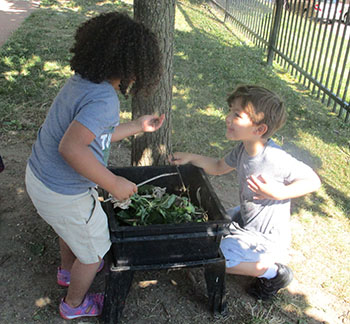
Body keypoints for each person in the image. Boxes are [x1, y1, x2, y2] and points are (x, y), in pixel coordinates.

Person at [25, 11, 164, 320]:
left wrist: (137, 126)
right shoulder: (104, 100)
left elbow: (92, 136)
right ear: (133, 68)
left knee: (71, 231)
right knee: (93, 252)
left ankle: (66, 271)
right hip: (63, 192)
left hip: (41, 178)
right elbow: (72, 148)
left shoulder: (82, 82)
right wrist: (113, 183)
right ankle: (74, 305)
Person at [170, 85, 321, 300]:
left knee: (216, 257)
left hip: (266, 238)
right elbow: (219, 166)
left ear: (259, 129)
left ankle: (275, 272)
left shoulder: (274, 158)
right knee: (204, 228)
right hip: (245, 220)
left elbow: (313, 181)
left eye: (237, 115)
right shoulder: (244, 148)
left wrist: (279, 192)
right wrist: (190, 157)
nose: (228, 118)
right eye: (230, 111)